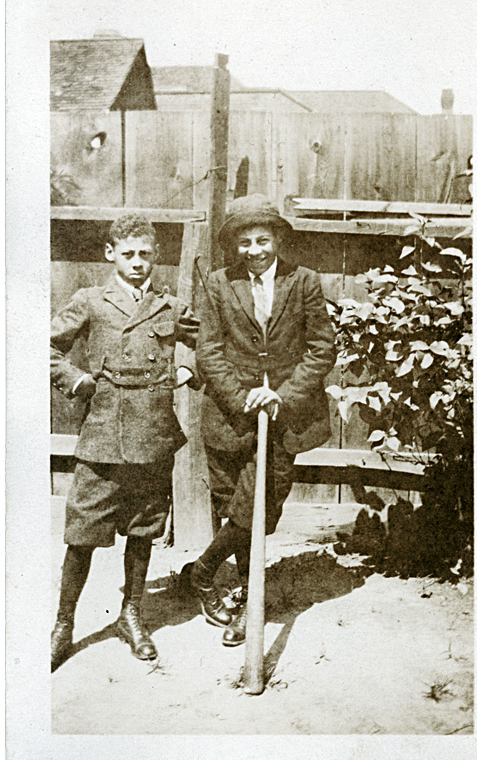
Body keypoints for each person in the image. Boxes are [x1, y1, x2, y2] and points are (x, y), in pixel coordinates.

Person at [50, 213, 199, 670]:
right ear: (111, 253)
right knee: (82, 535)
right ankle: (63, 624)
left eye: (146, 254)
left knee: (143, 531)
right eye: (128, 254)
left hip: (152, 437)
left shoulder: (170, 306)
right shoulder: (91, 300)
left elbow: (206, 343)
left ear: (155, 256)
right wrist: (75, 380)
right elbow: (45, 346)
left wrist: (188, 370)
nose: (138, 263)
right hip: (102, 439)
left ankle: (131, 615)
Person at [188, 194, 337, 646]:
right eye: (245, 243)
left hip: (285, 416)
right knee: (229, 500)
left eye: (262, 240)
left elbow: (322, 348)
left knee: (260, 506)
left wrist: (282, 395)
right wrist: (243, 399)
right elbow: (208, 351)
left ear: (276, 239)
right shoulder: (218, 284)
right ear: (234, 246)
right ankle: (247, 605)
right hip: (231, 415)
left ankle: (204, 569)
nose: (254, 251)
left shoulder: (304, 281)